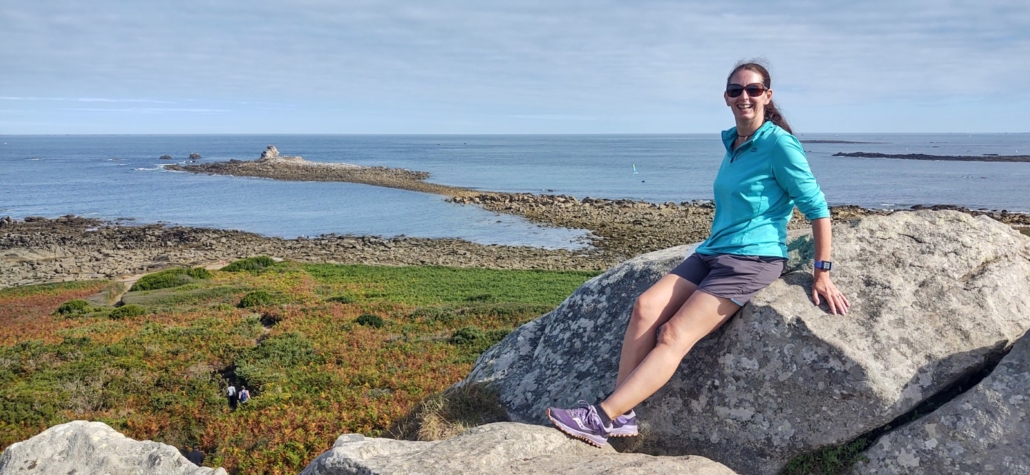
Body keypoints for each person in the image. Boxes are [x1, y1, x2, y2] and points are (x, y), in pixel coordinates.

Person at [546, 60, 850, 447]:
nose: (745, 97)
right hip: (713, 251)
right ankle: (621, 414)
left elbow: (818, 208)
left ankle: (601, 417)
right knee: (645, 307)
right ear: (726, 97)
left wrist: (822, 271)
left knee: (674, 333)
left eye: (753, 90)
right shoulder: (734, 143)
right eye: (736, 90)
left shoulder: (778, 144)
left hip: (753, 260)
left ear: (767, 96)